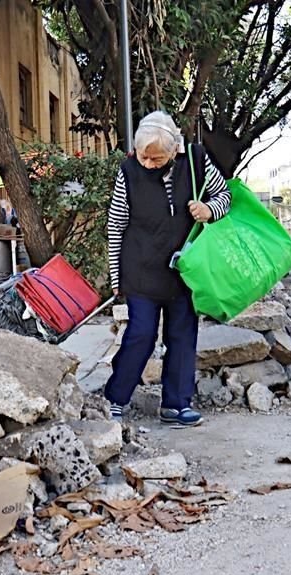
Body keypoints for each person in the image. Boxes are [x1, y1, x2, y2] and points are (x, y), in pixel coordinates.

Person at [105, 111, 231, 427]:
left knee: (182, 336)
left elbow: (224, 196)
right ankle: (115, 398)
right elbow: (116, 224)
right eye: (143, 157)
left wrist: (208, 210)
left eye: (156, 158)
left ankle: (176, 404)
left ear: (173, 149)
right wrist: (115, 276)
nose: (148, 164)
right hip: (140, 269)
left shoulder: (195, 160)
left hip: (184, 270)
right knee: (141, 334)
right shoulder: (129, 170)